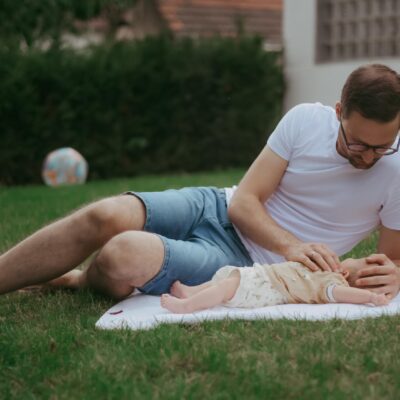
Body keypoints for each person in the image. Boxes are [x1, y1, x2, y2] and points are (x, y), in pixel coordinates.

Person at [0, 63, 399, 301]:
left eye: (382, 147)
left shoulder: (396, 172)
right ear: (339, 111)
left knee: (123, 255)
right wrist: (292, 245)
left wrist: (391, 272)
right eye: (357, 143)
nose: (368, 156)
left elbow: (389, 260)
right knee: (106, 215)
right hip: (216, 205)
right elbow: (244, 202)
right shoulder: (304, 120)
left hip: (246, 264)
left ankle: (76, 280)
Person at [160, 258, 389, 314]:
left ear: (343, 272)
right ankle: (192, 291)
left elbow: (341, 293)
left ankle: (187, 306)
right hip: (266, 275)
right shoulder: (321, 270)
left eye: (351, 259)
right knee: (226, 278)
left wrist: (369, 297)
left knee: (226, 287)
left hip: (269, 287)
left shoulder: (331, 282)